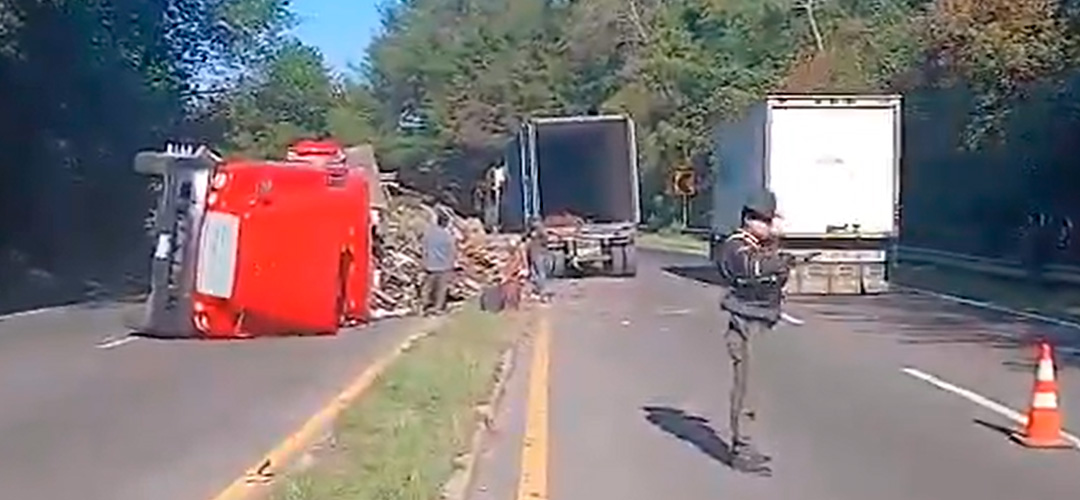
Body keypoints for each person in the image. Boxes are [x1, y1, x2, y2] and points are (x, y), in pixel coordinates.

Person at [715, 189, 795, 470]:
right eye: (766, 221)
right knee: (747, 388)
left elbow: (774, 275)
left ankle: (745, 445)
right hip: (745, 322)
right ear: (750, 219)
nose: (770, 226)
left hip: (758, 320)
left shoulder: (759, 246)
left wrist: (776, 251)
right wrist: (780, 261)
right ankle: (742, 449)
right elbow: (753, 268)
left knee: (754, 386)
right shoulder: (735, 246)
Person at [420, 208, 457, 315]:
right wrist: (452, 265)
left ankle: (425, 305)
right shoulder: (448, 236)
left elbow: (424, 249)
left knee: (428, 287)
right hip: (444, 267)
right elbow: (452, 252)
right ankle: (438, 308)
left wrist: (424, 262)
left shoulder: (429, 234)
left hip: (430, 265)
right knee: (441, 289)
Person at [526, 217, 551, 301]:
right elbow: (524, 237)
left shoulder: (541, 231)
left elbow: (545, 240)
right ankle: (537, 289)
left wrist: (538, 240)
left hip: (540, 253)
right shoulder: (531, 231)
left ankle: (542, 290)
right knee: (534, 272)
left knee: (540, 272)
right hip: (533, 254)